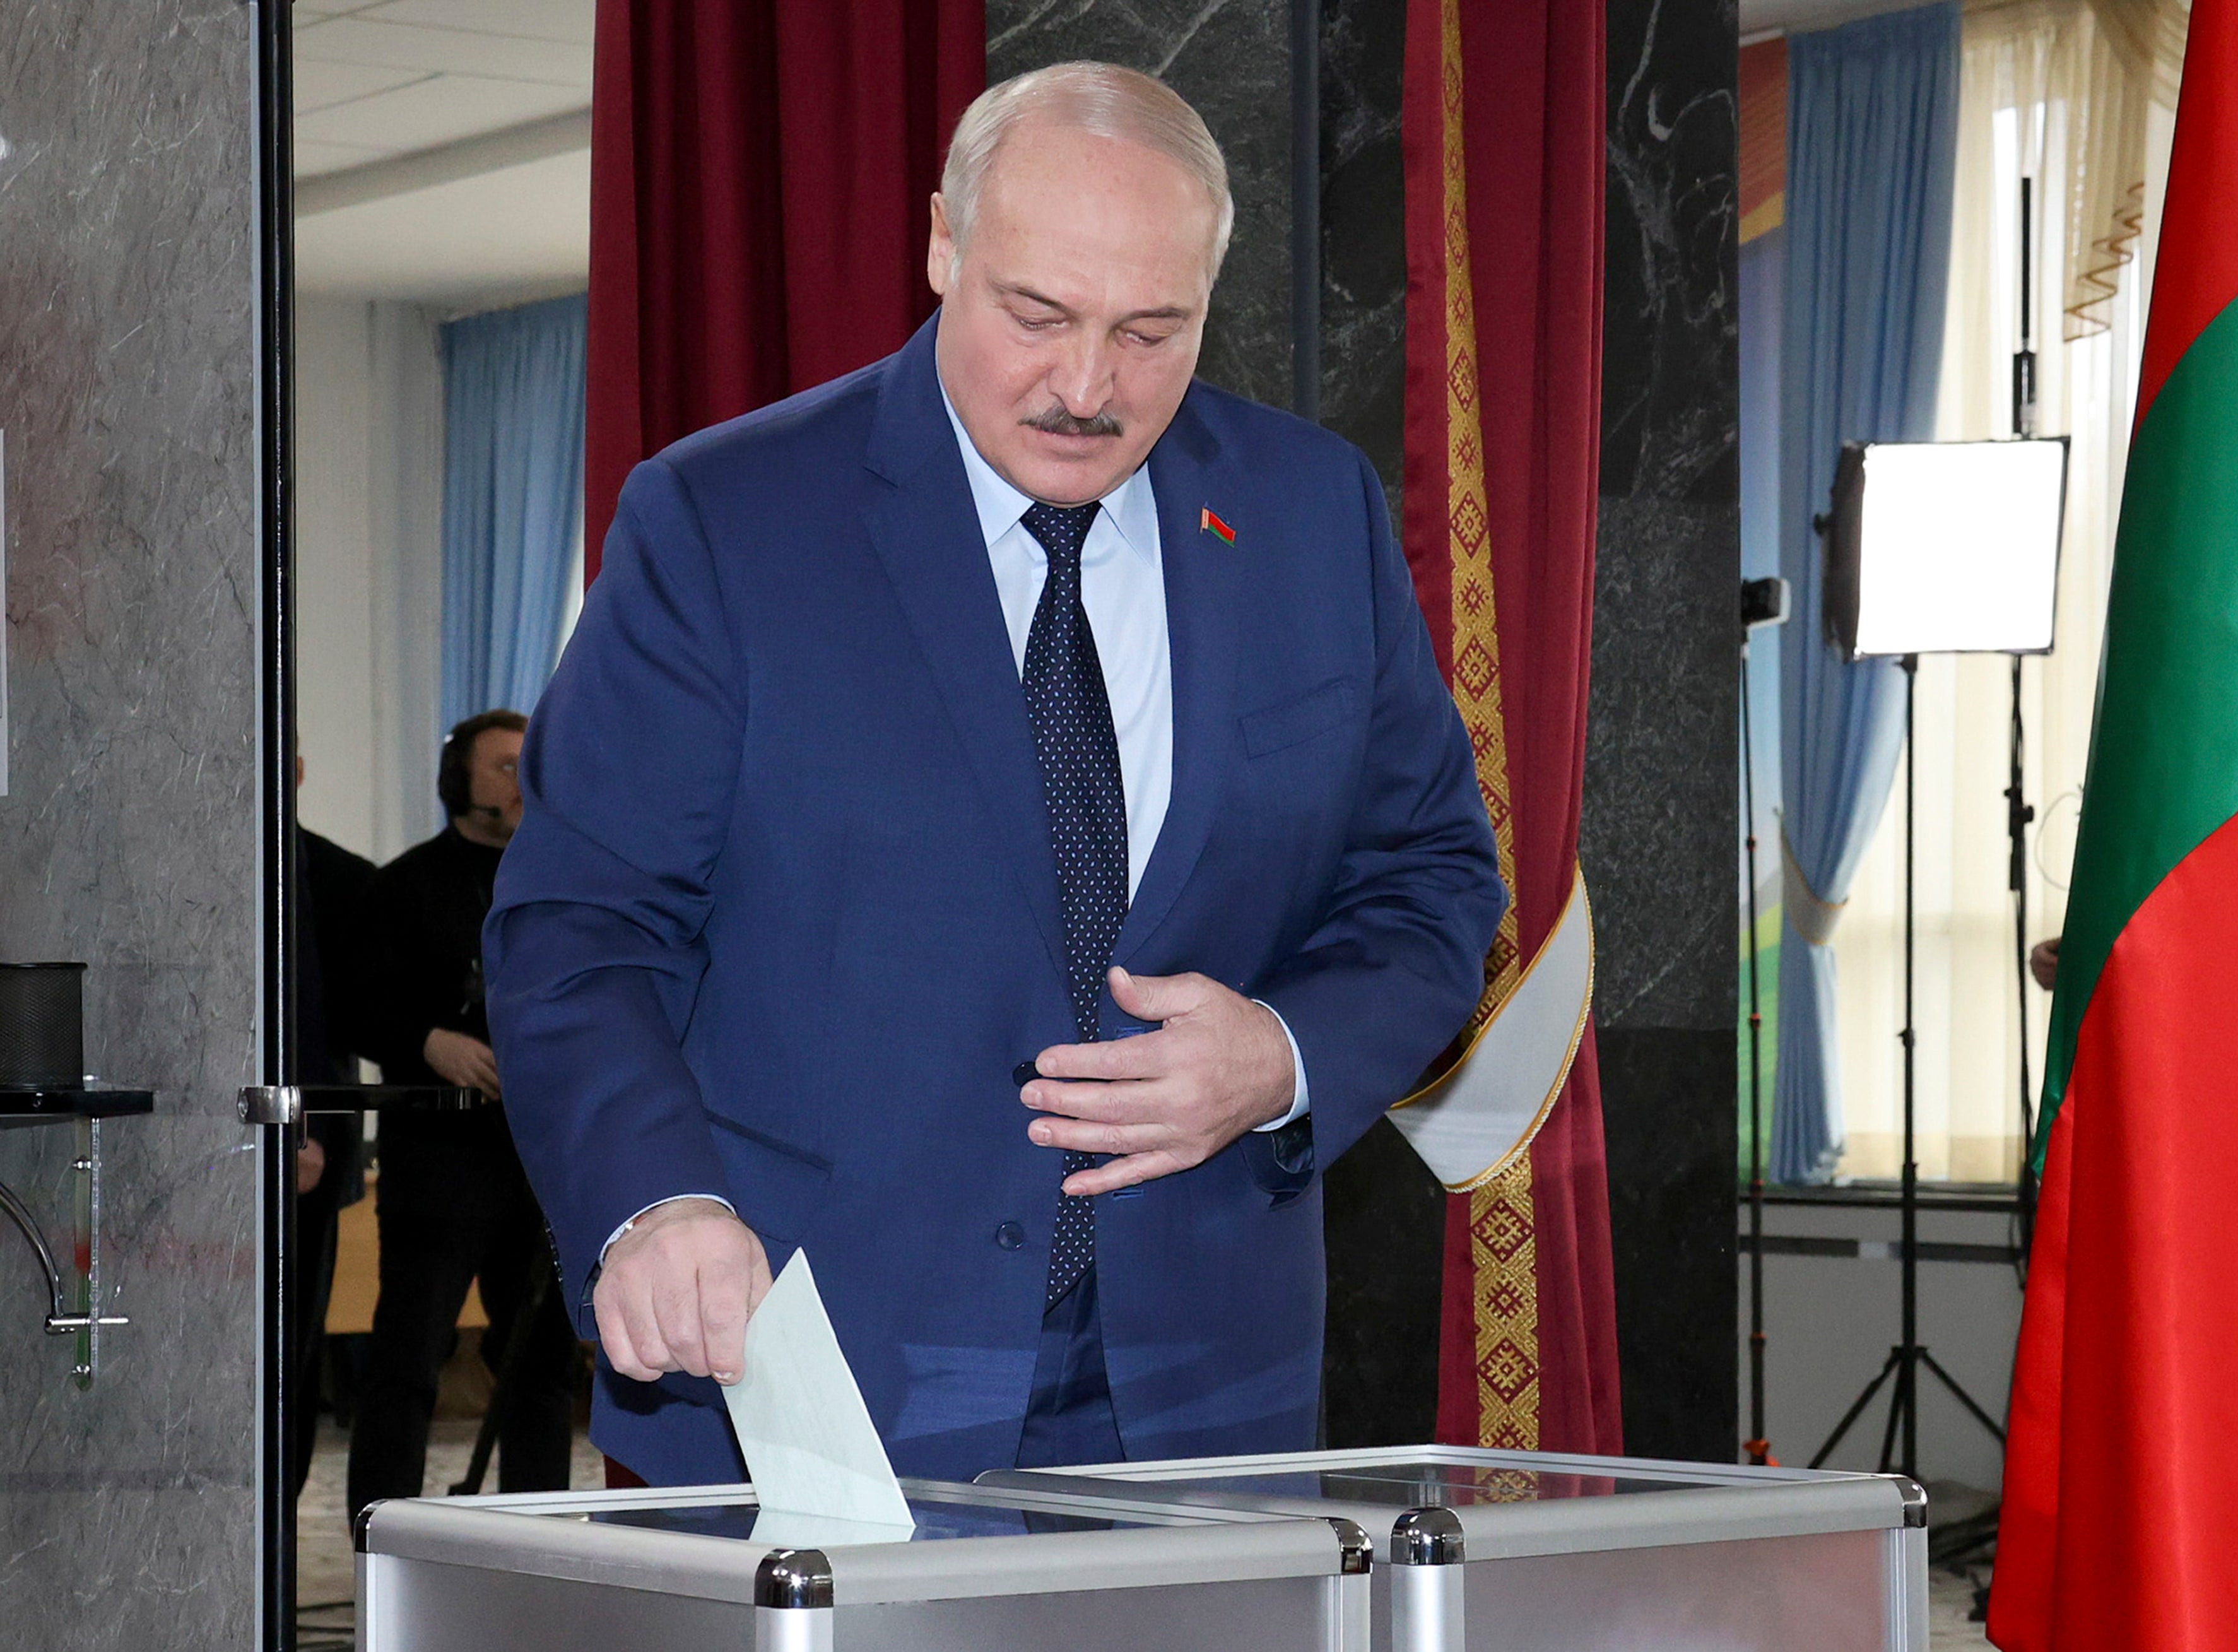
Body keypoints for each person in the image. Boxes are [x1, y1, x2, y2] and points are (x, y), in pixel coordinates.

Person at [485, 61, 1503, 1486]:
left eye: (1152, 333)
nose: (1088, 387)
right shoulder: (724, 524)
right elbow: (581, 930)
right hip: (807, 1364)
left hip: (1202, 1388)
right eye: (1037, 316)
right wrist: (653, 1204)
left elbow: (1434, 881)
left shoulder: (1306, 515)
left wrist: (1278, 1055)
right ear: (941, 248)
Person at [346, 711, 574, 1521]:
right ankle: (387, 1547)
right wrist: (428, 1040)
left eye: (528, 767)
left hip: (538, 1166)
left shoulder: (558, 886)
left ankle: (535, 1548)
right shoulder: (401, 885)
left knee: (540, 1373)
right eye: (505, 767)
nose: (521, 782)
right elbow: (358, 1009)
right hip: (438, 1170)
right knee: (405, 1369)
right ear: (459, 783)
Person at [292, 757, 378, 1501]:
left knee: (292, 1350)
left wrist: (302, 1131)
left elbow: (324, 1018)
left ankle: (273, 1543)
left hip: (300, 1145)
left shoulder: (340, 876)